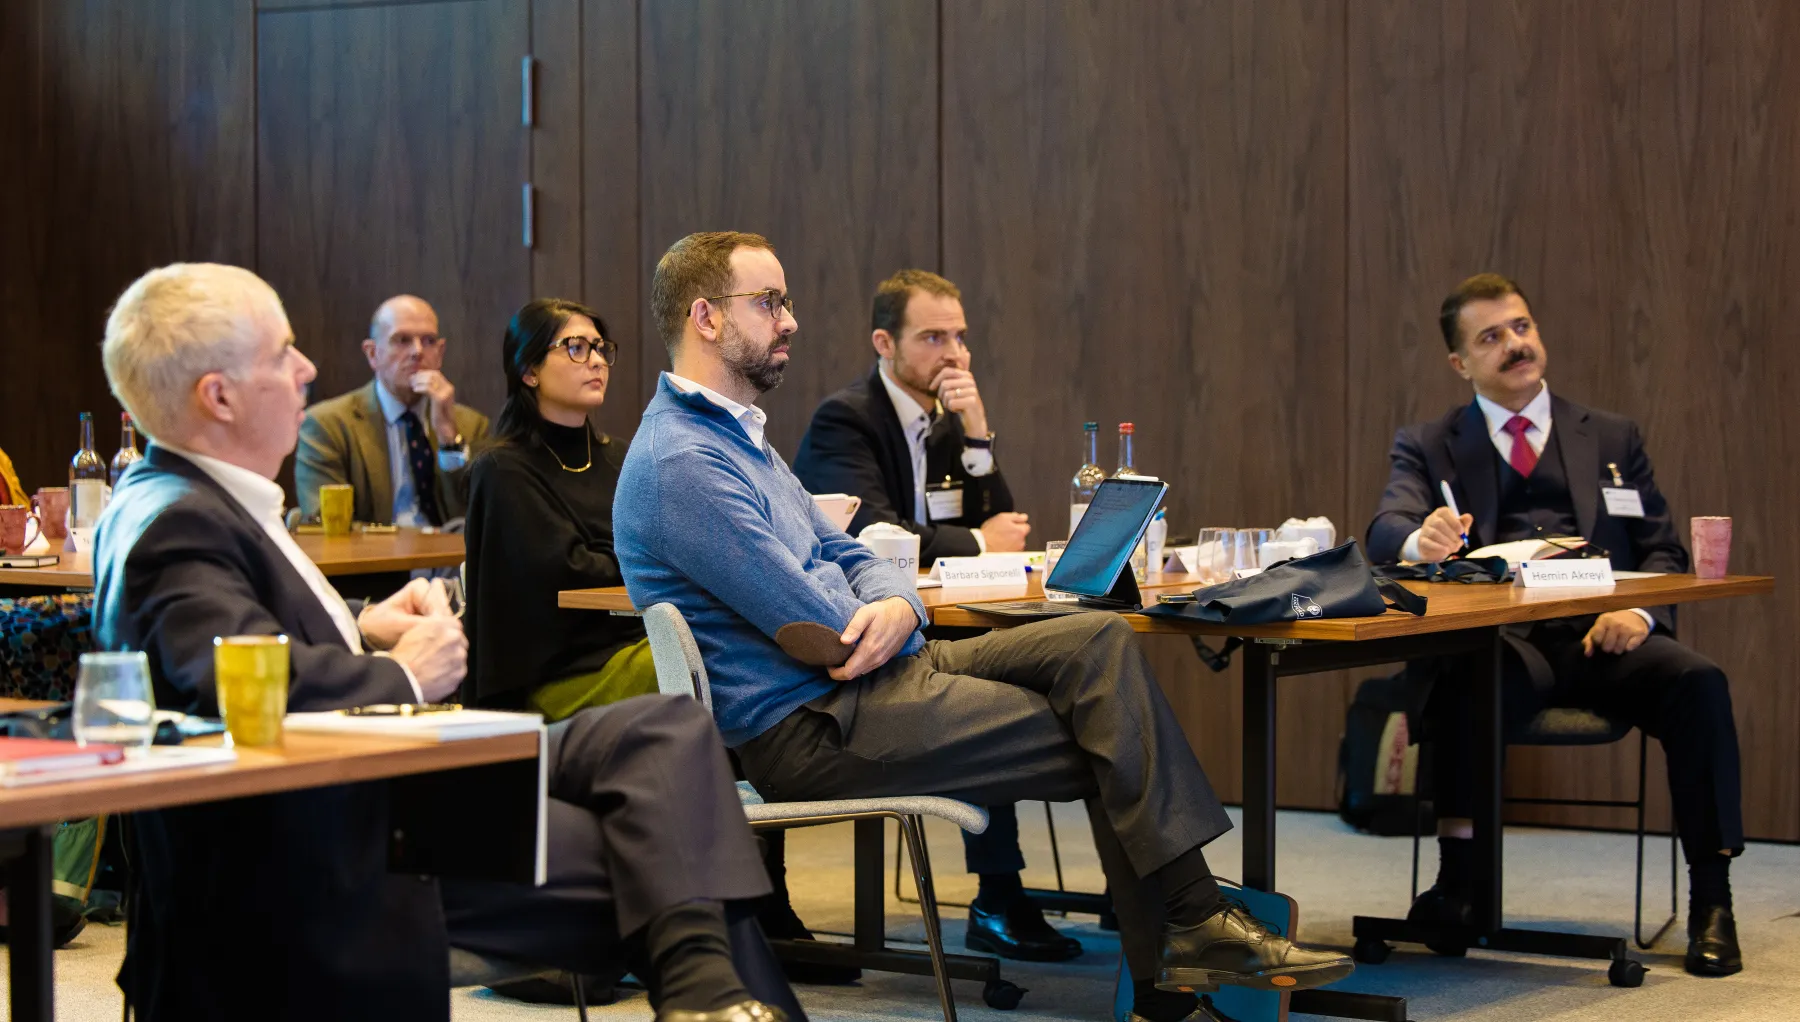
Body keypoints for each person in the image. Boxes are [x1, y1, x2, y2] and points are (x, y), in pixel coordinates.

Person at [616, 232, 1355, 1022]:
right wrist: (888, 605)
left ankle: (1189, 942)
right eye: (769, 302)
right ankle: (1184, 954)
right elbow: (824, 630)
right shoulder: (681, 461)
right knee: (1112, 731)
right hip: (814, 724)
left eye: (786, 300)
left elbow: (845, 549)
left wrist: (901, 602)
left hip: (880, 680)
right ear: (704, 317)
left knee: (1102, 643)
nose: (790, 320)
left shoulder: (739, 436)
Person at [92, 263, 798, 1022]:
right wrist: (400, 674)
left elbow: (240, 631)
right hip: (347, 839)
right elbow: (232, 686)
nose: (306, 368)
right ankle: (708, 992)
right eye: (282, 354)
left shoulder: (189, 499)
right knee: (676, 843)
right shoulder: (178, 522)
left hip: (395, 781)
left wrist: (363, 622)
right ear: (218, 396)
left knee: (665, 727)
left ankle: (704, 995)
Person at [1366, 273, 1745, 978]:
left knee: (1700, 684)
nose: (1515, 345)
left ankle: (1713, 902)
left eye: (1522, 327)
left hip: (1604, 638)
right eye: (1491, 337)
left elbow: (1663, 550)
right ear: (1460, 363)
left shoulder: (1610, 435)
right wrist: (1425, 537)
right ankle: (1459, 884)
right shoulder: (1429, 444)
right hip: (1502, 644)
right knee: (1462, 677)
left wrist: (1637, 613)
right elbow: (1387, 527)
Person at [791, 269, 1075, 963]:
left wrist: (977, 433)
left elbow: (997, 514)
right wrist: (980, 542)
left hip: (937, 610)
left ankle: (1008, 894)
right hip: (860, 629)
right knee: (994, 696)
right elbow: (871, 533)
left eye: (961, 338)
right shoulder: (846, 417)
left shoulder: (947, 420)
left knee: (1064, 660)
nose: (954, 355)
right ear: (885, 342)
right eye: (933, 337)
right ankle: (999, 895)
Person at [463, 298, 656, 719]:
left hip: (634, 638)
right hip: (557, 672)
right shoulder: (502, 469)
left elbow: (663, 547)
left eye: (601, 348)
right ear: (528, 371)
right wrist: (636, 556)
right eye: (576, 348)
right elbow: (566, 573)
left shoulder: (623, 458)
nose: (597, 362)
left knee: (725, 644)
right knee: (700, 660)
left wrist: (622, 553)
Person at [295, 294, 490, 526]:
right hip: (373, 561)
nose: (417, 351)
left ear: (440, 354)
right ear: (372, 353)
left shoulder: (471, 425)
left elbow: (479, 519)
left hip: (450, 561)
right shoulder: (326, 426)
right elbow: (325, 524)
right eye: (402, 340)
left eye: (428, 341)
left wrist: (449, 439)